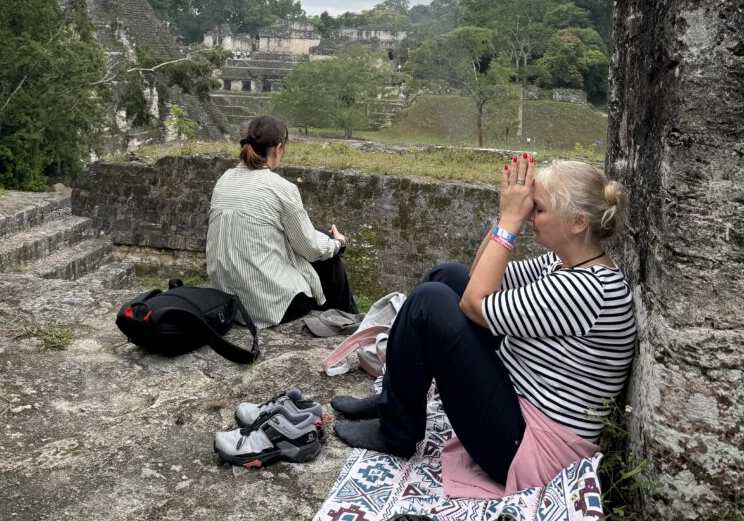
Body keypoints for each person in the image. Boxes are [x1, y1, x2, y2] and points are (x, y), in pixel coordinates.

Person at [332, 154, 636, 490]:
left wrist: (511, 223)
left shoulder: (586, 289)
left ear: (578, 223)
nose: (531, 216)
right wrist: (505, 218)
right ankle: (395, 400)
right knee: (448, 275)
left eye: (538, 209)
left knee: (430, 302)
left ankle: (397, 432)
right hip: (518, 403)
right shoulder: (564, 264)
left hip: (528, 448)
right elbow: (478, 277)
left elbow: (474, 304)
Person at [206, 115, 357, 328]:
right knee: (326, 244)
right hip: (269, 306)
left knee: (318, 240)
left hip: (227, 300)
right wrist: (338, 243)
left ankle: (347, 317)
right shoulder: (280, 188)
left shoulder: (224, 181)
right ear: (278, 148)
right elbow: (311, 247)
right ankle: (349, 318)